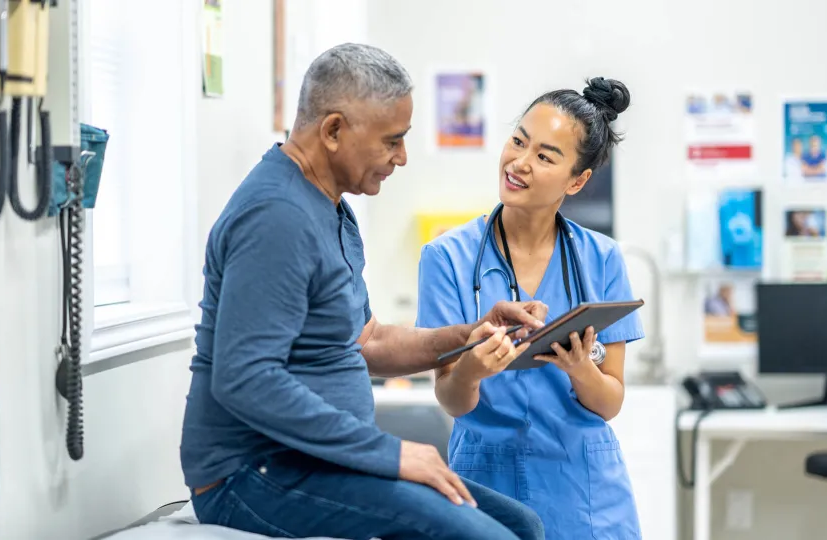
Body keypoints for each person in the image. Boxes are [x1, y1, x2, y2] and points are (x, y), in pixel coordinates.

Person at [180, 43, 547, 540]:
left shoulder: (331, 208)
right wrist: (391, 454)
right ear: (333, 130)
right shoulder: (277, 218)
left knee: (521, 524)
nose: (401, 157)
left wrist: (472, 334)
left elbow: (367, 340)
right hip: (253, 475)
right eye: (391, 141)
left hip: (317, 462)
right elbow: (244, 378)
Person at [415, 77, 646, 539]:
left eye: (545, 156)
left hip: (585, 491)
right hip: (486, 482)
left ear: (577, 180)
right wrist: (471, 370)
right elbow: (451, 398)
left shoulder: (601, 259)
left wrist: (582, 369)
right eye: (518, 141)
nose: (519, 163)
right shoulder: (446, 258)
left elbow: (610, 401)